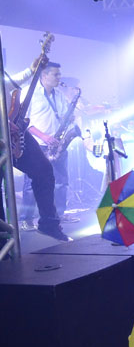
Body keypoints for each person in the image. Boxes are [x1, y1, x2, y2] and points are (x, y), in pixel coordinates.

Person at [5, 58, 69, 241]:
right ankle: (5, 240)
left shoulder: (58, 95)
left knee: (44, 171)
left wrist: (30, 70)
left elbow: (7, 84)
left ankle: (49, 223)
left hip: (15, 130)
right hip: (5, 131)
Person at [19, 61, 76, 226]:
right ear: (44, 75)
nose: (59, 77)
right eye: (56, 74)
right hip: (36, 144)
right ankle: (26, 219)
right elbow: (23, 121)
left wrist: (68, 118)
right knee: (31, 184)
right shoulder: (29, 93)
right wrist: (44, 136)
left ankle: (58, 214)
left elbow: (64, 117)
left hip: (57, 145)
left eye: (59, 74)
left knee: (61, 182)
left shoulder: (59, 95)